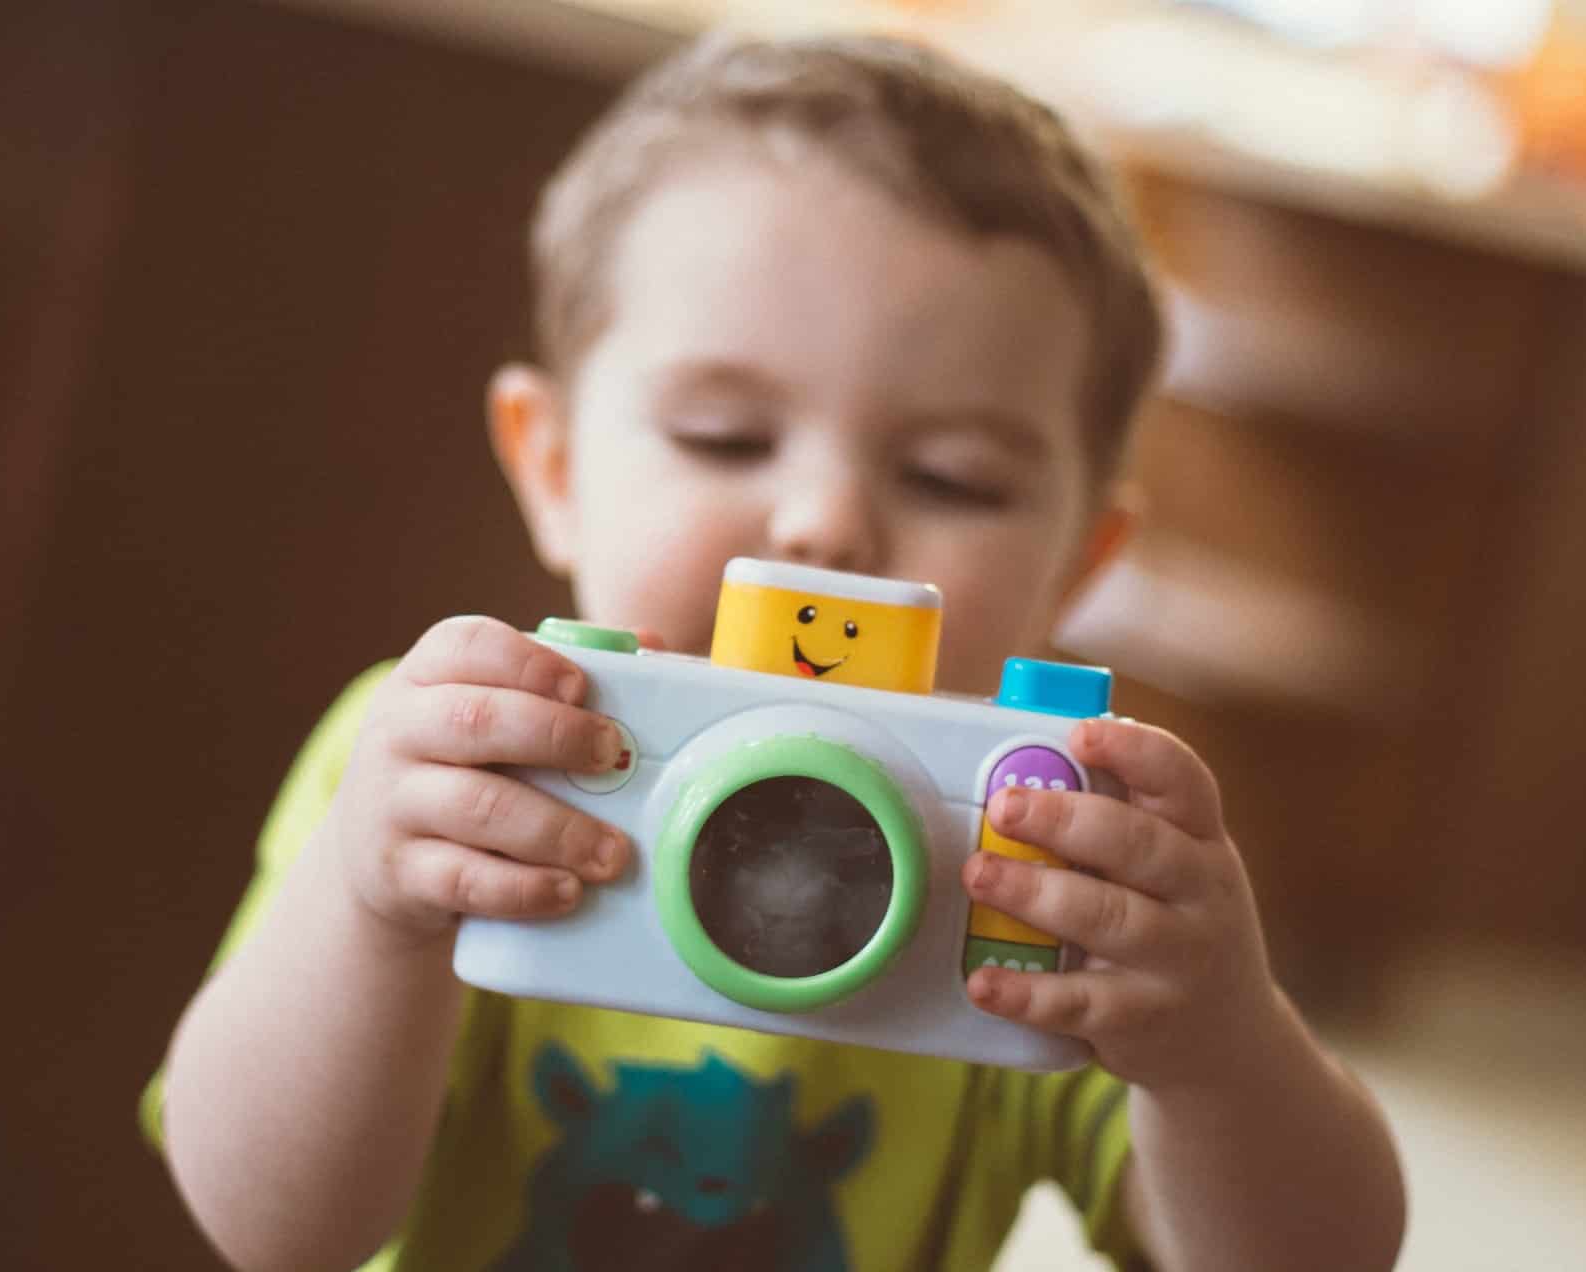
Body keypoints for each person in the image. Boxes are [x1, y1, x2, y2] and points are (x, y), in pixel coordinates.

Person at [148, 32, 1406, 1272]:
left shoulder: (1033, 848)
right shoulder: (457, 767)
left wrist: (1222, 1047)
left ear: (1081, 562)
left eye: (950, 476)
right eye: (724, 437)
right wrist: (370, 914)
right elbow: (277, 1233)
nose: (825, 523)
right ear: (557, 467)